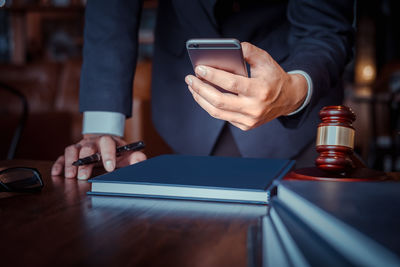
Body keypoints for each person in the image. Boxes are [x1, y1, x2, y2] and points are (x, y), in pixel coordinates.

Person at [51, 0, 355, 179]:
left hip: (292, 122)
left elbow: (324, 28)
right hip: (183, 109)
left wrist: (293, 89)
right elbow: (113, 8)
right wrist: (101, 129)